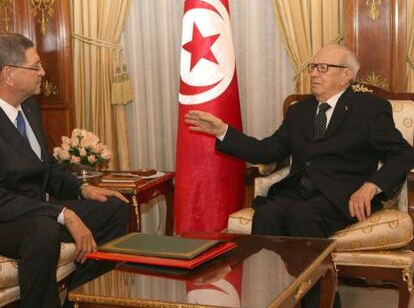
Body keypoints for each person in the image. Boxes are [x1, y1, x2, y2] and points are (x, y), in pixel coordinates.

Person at [185, 44, 414, 307]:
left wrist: (372, 186)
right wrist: (223, 131)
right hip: (298, 190)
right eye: (313, 67)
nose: (315, 73)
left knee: (302, 217)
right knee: (267, 214)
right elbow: (265, 150)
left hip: (344, 194)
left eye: (324, 68)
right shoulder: (299, 111)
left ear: (347, 75)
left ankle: (323, 301)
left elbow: (403, 154)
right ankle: (272, 298)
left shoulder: (370, 108)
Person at [0, 33, 130, 308]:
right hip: (7, 219)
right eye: (35, 67)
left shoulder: (30, 109)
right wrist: (62, 213)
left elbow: (46, 169)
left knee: (114, 207)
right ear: (8, 74)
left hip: (38, 213)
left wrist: (83, 189)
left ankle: (78, 299)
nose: (43, 73)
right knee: (44, 231)